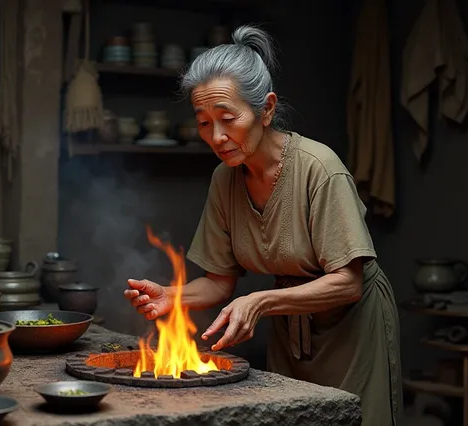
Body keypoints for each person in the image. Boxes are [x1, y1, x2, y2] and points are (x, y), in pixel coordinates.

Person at [123, 25, 403, 426]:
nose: (217, 137)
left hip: (353, 331)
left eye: (227, 118)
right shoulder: (225, 178)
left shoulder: (319, 169)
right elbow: (219, 282)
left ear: (266, 109)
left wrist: (259, 302)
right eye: (204, 123)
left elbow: (348, 282)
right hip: (290, 326)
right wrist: (171, 296)